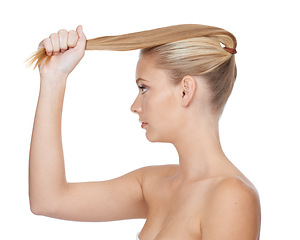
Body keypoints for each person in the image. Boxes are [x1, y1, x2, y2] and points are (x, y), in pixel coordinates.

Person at [28, 25, 261, 240]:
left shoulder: (232, 197)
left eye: (144, 88)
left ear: (185, 91)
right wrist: (53, 78)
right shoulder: (153, 183)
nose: (135, 106)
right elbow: (47, 200)